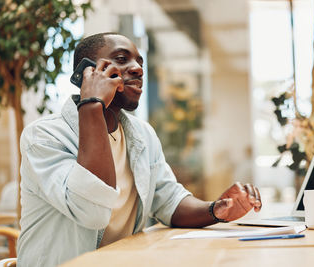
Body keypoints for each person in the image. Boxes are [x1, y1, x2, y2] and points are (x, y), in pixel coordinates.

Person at [17, 32, 262, 267]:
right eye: (122, 60)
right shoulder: (44, 136)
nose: (138, 69)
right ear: (87, 73)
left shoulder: (142, 134)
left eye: (139, 62)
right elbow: (91, 212)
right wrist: (91, 104)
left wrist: (216, 209)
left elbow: (168, 200)